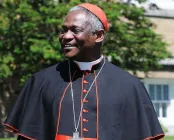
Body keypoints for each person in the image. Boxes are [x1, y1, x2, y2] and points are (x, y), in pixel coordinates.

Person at [4, 3, 165, 140]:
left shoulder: (130, 85)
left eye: (75, 30)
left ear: (99, 35)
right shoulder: (40, 81)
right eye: (63, 30)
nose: (66, 36)